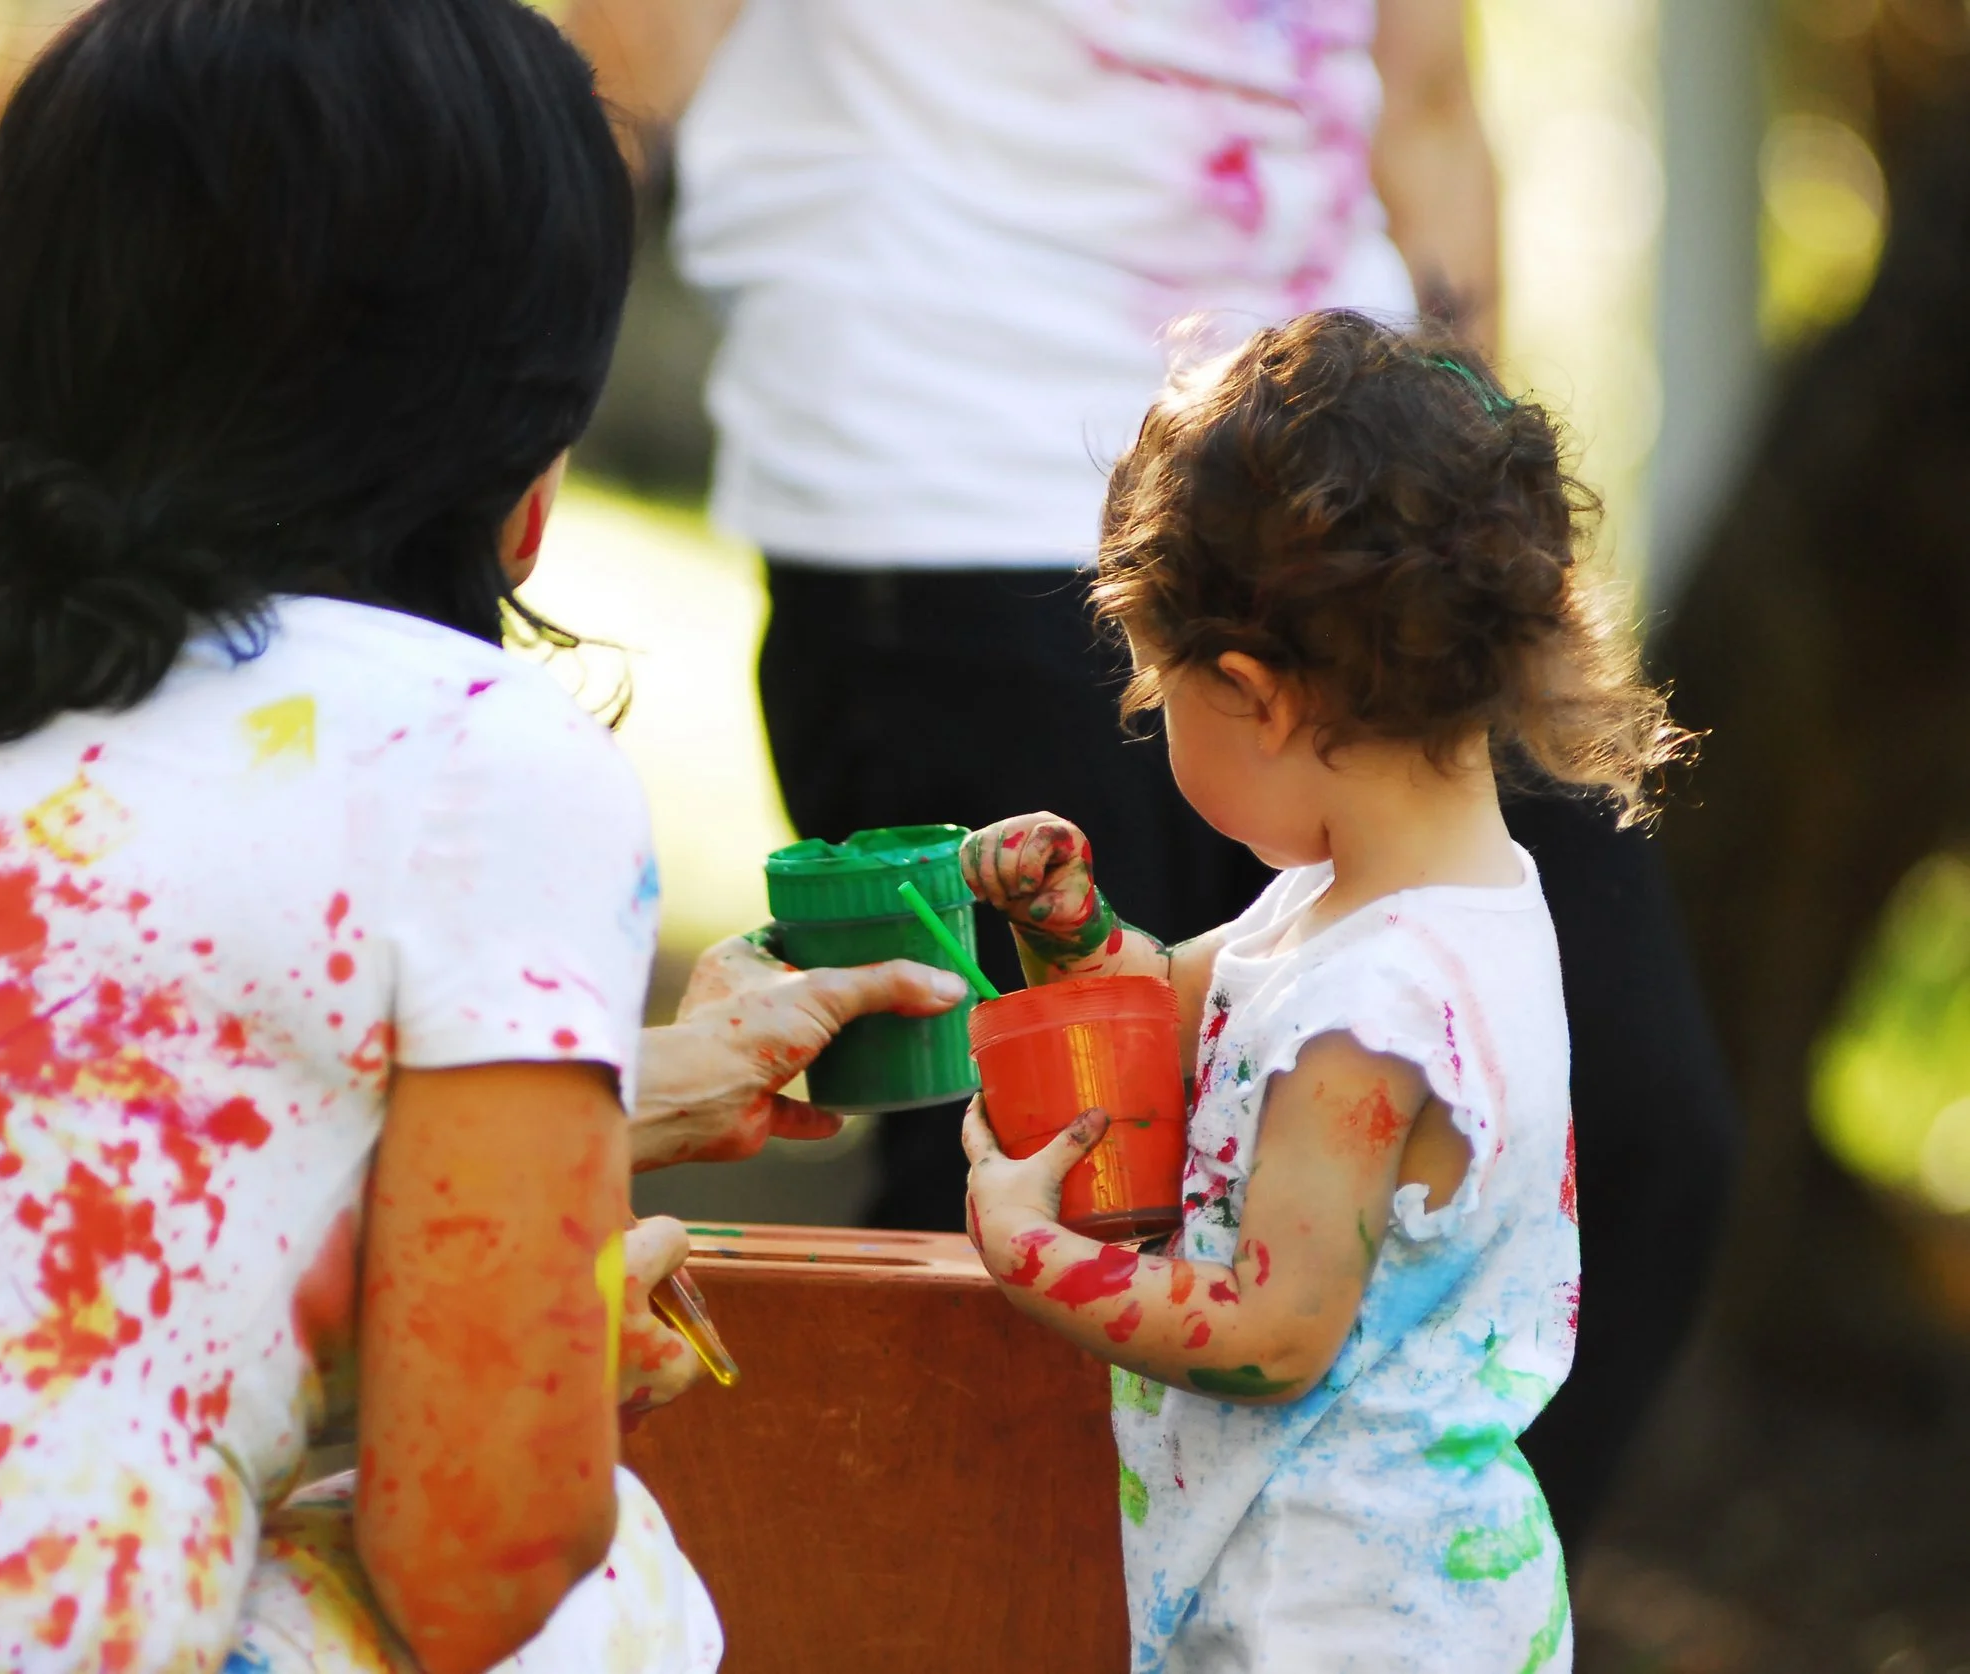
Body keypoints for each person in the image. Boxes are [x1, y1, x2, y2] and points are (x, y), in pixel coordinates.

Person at [0, 3, 961, 1669]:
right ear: (529, 470)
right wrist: (553, 1334)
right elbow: (481, 1555)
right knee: (619, 1608)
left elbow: (71, 1222)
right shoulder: (477, 754)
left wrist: (650, 1087)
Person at [561, 0, 1740, 1545]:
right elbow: (616, 73)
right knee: (1020, 1152)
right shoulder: (1305, 925)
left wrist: (1461, 549)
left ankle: (1354, 1561)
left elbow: (1431, 111)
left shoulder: (1392, 920)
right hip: (949, 483)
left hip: (1358, 525)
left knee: (1642, 1115)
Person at [956, 310, 1686, 1669]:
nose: (1146, 718)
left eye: (1156, 691)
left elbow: (1273, 1334)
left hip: (1340, 1619)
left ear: (1258, 694)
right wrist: (1069, 930)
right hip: (1360, 1587)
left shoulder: (1376, 1016)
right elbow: (1157, 1013)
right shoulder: (1388, 906)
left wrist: (1029, 1257)